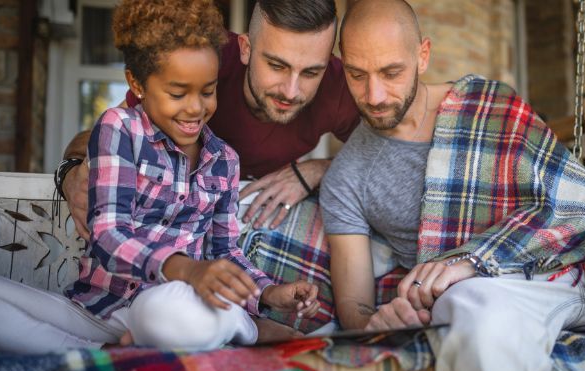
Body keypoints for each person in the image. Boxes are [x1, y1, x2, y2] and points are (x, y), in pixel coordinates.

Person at [320, 0, 585, 371]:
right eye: (356, 74)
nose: (374, 96)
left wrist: (472, 257)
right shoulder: (347, 177)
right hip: (493, 292)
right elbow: (355, 306)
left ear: (423, 55)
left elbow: (582, 204)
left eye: (391, 72)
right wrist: (377, 324)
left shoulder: (488, 104)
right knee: (483, 326)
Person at [0, 0, 319, 354]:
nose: (196, 108)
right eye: (178, 93)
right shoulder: (120, 130)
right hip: (98, 308)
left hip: (171, 305)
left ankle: (236, 325)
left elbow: (225, 253)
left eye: (207, 91)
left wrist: (269, 292)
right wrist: (186, 269)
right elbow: (108, 236)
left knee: (167, 312)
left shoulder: (224, 160)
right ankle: (101, 353)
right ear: (137, 82)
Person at [56, 0, 360, 242]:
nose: (292, 91)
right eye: (277, 66)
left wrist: (320, 168)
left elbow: (389, 151)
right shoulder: (204, 59)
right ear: (245, 48)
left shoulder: (336, 86)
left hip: (250, 236)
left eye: (310, 73)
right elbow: (102, 134)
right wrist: (69, 172)